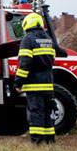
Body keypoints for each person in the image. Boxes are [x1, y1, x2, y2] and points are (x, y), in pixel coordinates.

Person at [14, 12, 57, 144]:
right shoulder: (48, 39)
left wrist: (18, 82)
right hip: (48, 84)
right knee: (47, 113)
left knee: (36, 113)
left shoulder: (28, 40)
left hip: (34, 85)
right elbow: (52, 59)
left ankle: (37, 142)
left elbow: (24, 63)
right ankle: (49, 140)